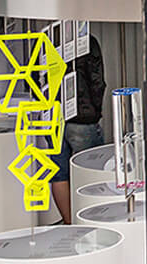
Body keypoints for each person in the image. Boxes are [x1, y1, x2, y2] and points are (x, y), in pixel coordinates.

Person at [54, 34, 106, 222]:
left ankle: (70, 222)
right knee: (90, 173)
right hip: (83, 117)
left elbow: (33, 80)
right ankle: (88, 220)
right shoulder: (86, 42)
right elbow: (97, 81)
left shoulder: (46, 40)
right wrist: (95, 110)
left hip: (53, 117)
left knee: (59, 174)